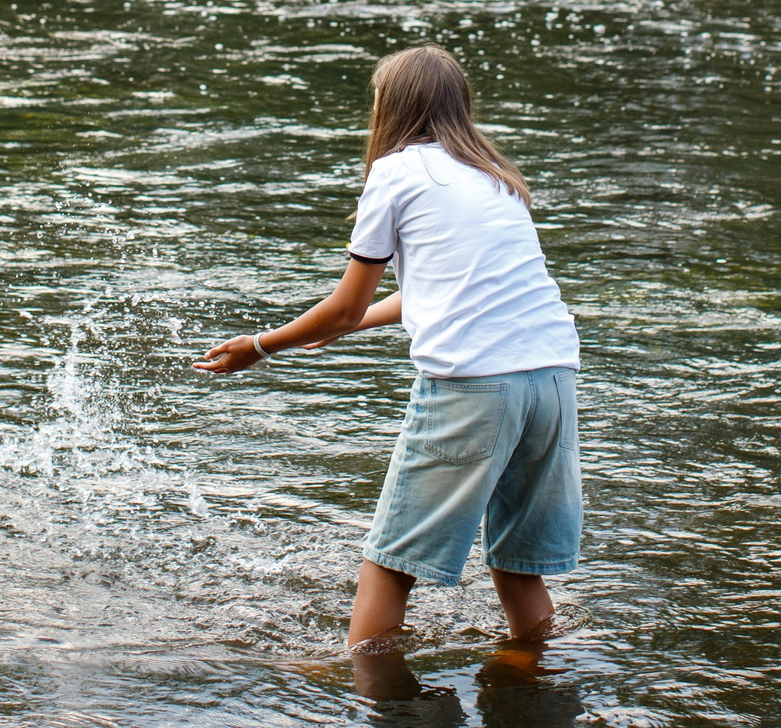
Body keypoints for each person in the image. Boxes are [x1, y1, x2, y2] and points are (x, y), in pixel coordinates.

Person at [196, 44, 582, 659]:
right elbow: (437, 288)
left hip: (473, 385)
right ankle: (530, 679)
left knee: (390, 561)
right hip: (554, 379)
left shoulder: (396, 172)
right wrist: (344, 327)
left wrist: (262, 346)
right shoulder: (495, 177)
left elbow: (345, 304)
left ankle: (368, 695)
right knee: (516, 563)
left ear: (390, 107)